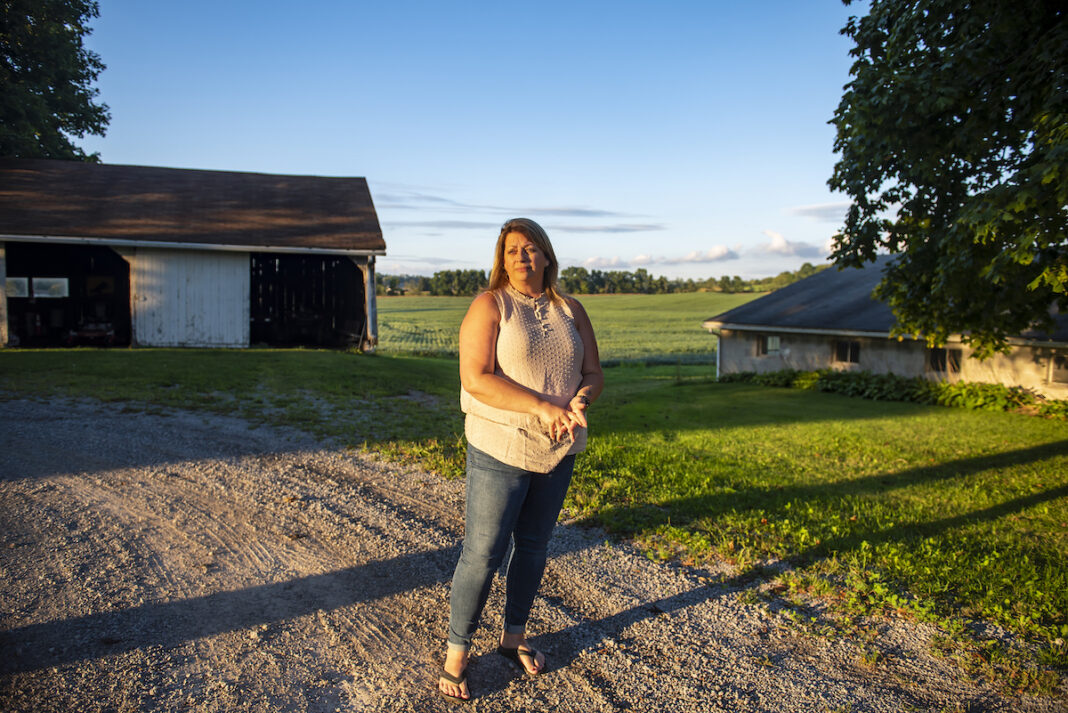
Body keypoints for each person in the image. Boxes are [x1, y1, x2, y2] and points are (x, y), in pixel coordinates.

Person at [438, 218, 603, 702]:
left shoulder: (570, 309)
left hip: (558, 449)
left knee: (532, 547)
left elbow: (592, 372)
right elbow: (476, 378)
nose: (522, 258)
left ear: (548, 256)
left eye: (531, 249)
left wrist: (580, 402)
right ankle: (456, 653)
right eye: (512, 251)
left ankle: (512, 639)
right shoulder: (490, 306)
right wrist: (540, 406)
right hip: (501, 446)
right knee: (484, 552)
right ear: (501, 259)